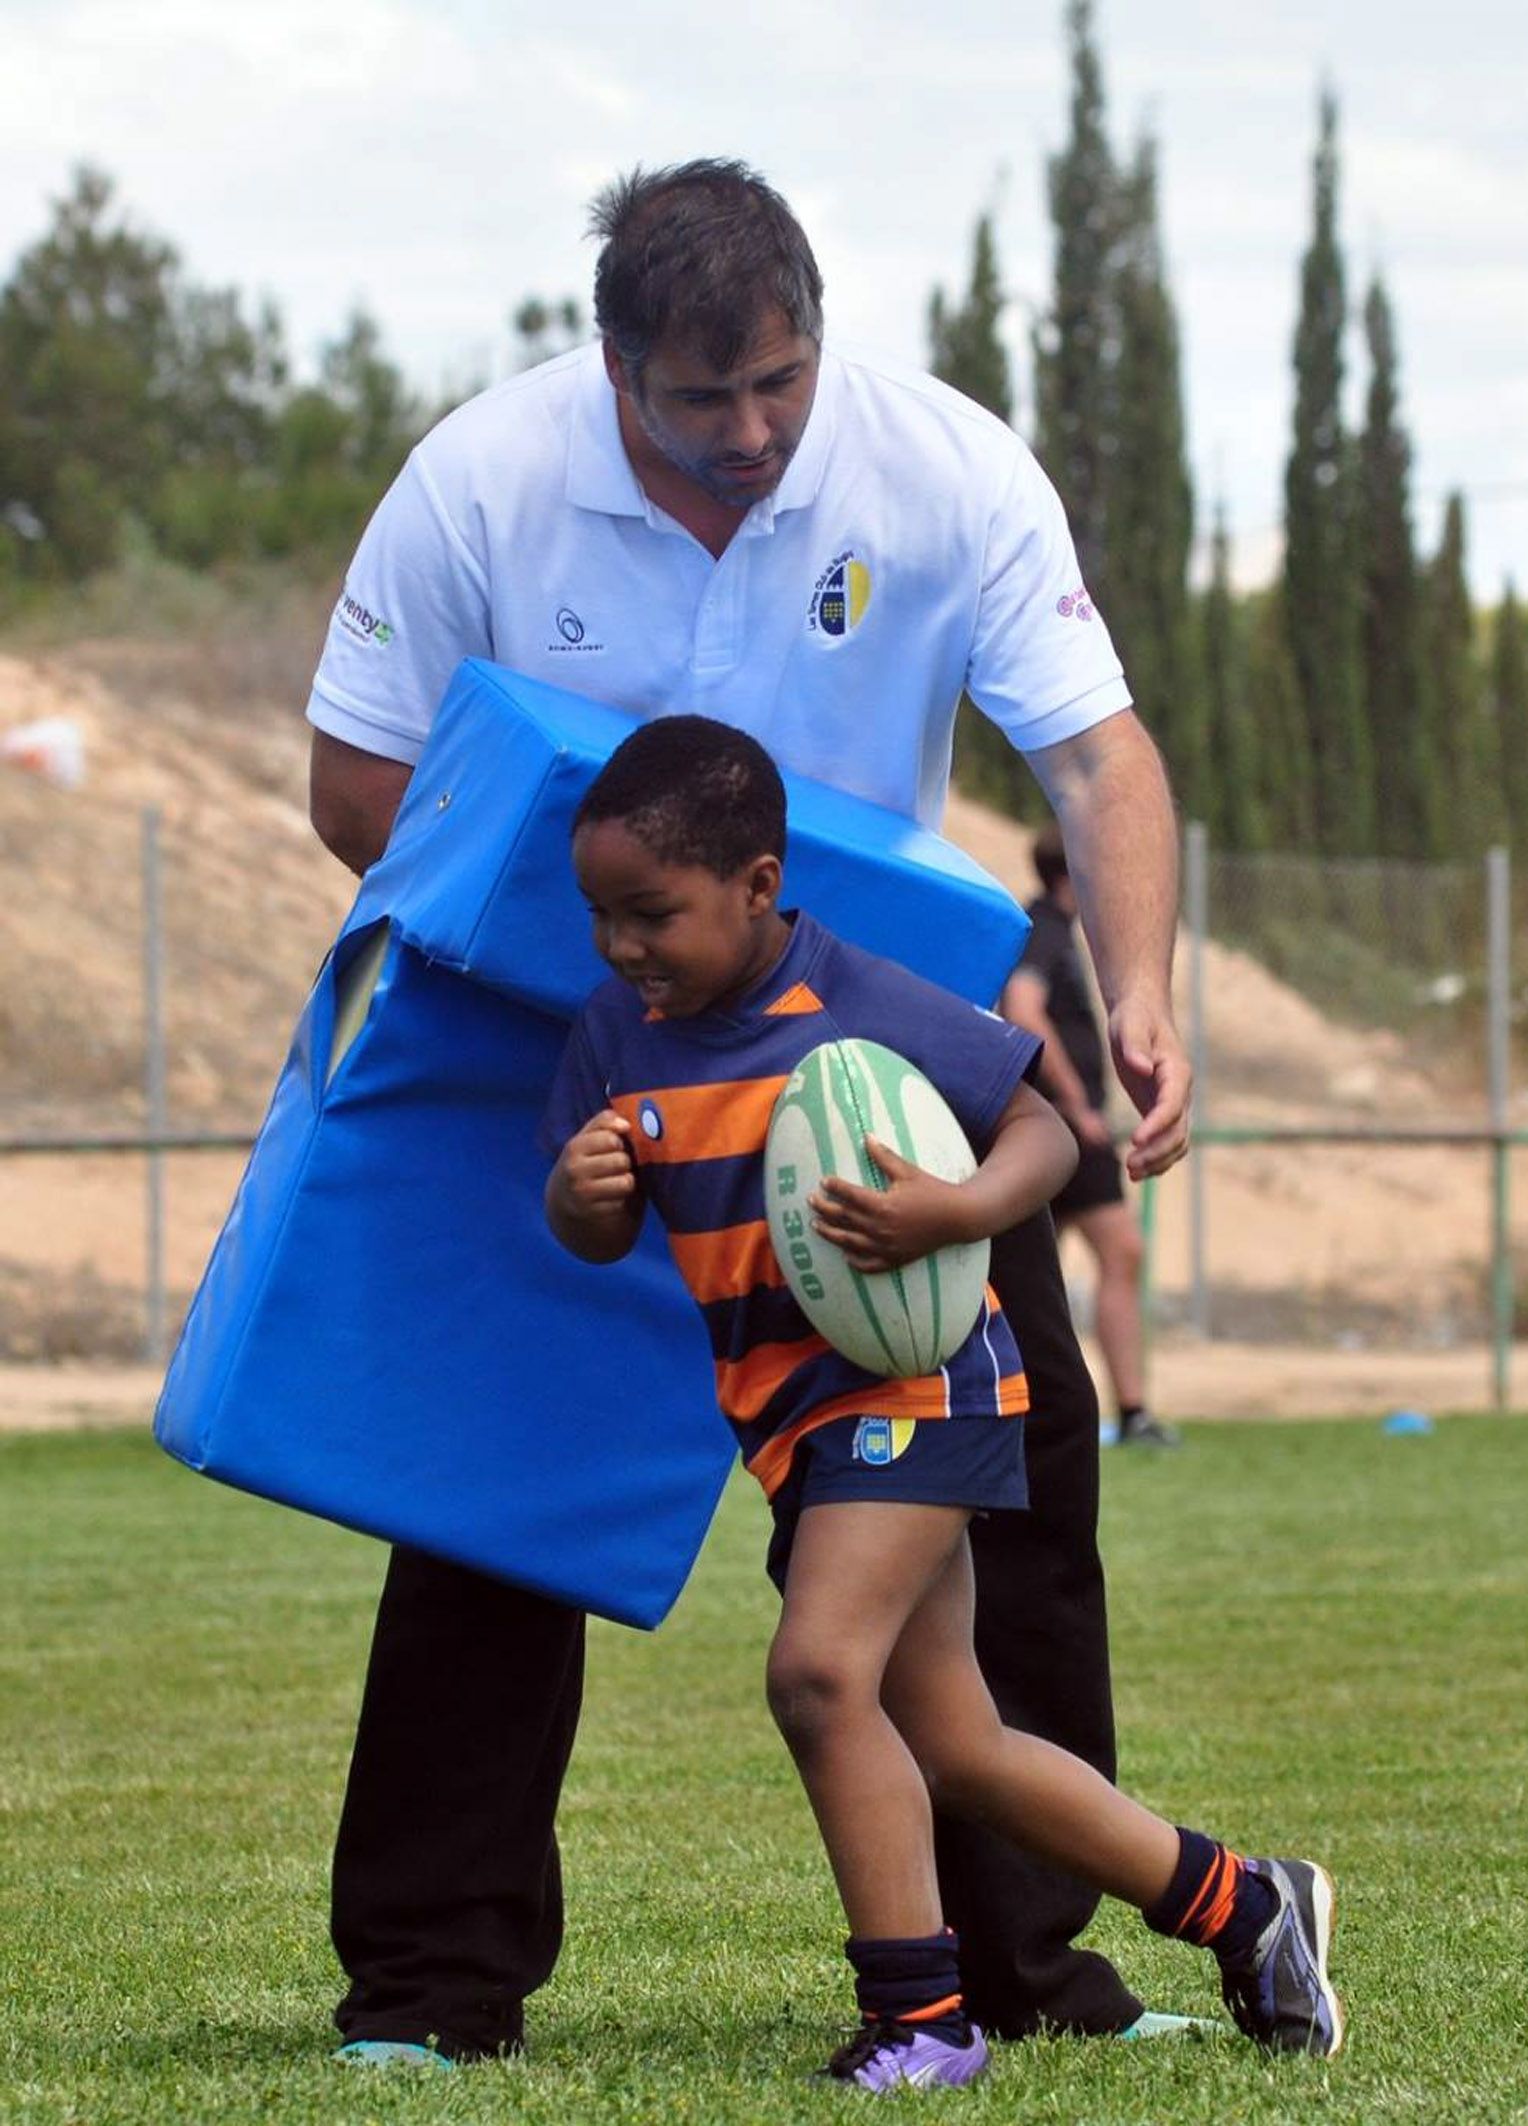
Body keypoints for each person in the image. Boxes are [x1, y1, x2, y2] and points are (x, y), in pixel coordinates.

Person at [305, 159, 1194, 2066]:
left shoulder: (941, 471)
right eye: (700, 400)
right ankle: (429, 1993)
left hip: (875, 1084)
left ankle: (1032, 1976)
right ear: (611, 364)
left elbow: (1099, 756)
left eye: (779, 380)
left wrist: (1135, 984)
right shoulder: (480, 478)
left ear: (813, 329)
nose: (752, 431)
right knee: (489, 1507)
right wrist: (618, 975)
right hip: (594, 1054)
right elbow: (354, 785)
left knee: (1012, 1502)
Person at [541, 715, 1342, 2088]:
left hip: (921, 1382)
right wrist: (583, 1194)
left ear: (757, 883)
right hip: (793, 1423)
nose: (622, 945)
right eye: (600, 914)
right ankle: (1244, 1902)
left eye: (652, 914)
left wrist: (958, 1204)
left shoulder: (858, 994)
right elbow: (592, 1237)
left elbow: (1044, 1119)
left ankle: (922, 2019)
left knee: (815, 1672)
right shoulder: (617, 1035)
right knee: (957, 1738)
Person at [1001, 822, 1180, 1448]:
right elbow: (1022, 1008)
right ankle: (1118, 1411)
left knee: (1071, 1263)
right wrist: (1076, 1103)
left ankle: (1122, 1412)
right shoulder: (1043, 928)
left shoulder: (1053, 931)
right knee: (1109, 1253)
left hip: (1056, 1127)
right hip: (1060, 1128)